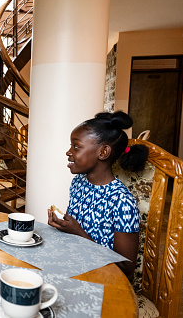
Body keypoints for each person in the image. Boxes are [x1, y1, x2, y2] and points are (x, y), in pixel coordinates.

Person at [47, 111, 148, 282]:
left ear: (103, 152)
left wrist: (78, 233)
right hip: (75, 269)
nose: (68, 152)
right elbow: (74, 232)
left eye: (76, 146)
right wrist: (63, 226)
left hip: (105, 282)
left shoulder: (122, 202)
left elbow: (125, 271)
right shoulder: (78, 182)